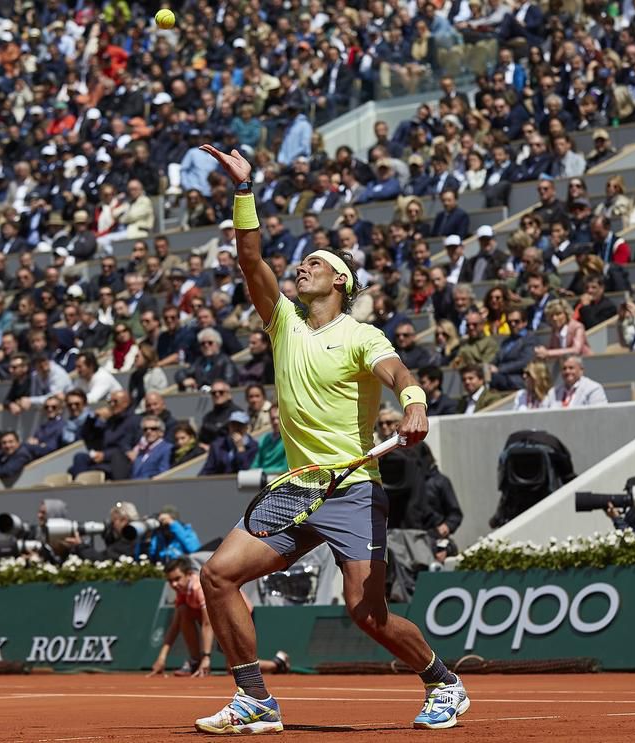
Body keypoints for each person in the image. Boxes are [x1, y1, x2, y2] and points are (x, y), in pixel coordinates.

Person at [192, 144, 465, 734]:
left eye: (314, 263)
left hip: (353, 489)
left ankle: (442, 682)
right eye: (301, 265)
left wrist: (413, 405)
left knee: (367, 614)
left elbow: (399, 375)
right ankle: (255, 700)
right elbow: (249, 257)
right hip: (296, 488)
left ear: (339, 280)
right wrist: (244, 191)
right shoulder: (283, 322)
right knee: (217, 575)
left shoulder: (363, 335)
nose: (302, 268)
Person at [149, 557, 290, 679]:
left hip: (237, 613)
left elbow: (207, 623)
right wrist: (162, 658)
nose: (174, 584)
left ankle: (277, 664)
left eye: (177, 579)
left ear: (189, 575)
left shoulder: (199, 588)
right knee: (182, 610)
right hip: (218, 615)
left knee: (235, 667)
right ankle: (194, 661)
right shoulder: (182, 592)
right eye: (170, 581)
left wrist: (206, 657)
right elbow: (175, 626)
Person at [199, 410, 259, 476]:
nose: (236, 428)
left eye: (240, 425)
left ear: (246, 427)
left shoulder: (254, 447)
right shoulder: (218, 445)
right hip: (221, 483)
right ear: (229, 426)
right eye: (233, 425)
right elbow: (208, 469)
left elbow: (246, 472)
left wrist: (240, 448)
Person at [542, 356, 608, 408]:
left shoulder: (593, 389)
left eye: (571, 368)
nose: (567, 371)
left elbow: (599, 415)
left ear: (581, 370)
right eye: (564, 368)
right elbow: (543, 413)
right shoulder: (553, 392)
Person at [129, 415, 174, 479]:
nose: (148, 431)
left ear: (161, 432)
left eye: (153, 429)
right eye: (145, 429)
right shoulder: (141, 451)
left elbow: (163, 473)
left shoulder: (167, 448)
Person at [253, 404, 287, 473]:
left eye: (278, 418)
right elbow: (256, 463)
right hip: (262, 478)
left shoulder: (288, 440)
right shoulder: (264, 439)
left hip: (280, 478)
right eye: (273, 418)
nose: (275, 422)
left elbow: (286, 467)